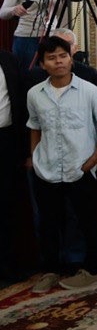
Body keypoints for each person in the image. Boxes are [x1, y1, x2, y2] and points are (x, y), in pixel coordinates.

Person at [26, 37, 97, 293]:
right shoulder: (35, 94)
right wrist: (34, 158)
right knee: (48, 224)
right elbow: (34, 126)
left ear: (71, 59)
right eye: (52, 58)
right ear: (43, 64)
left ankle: (93, 270)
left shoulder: (89, 90)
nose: (58, 62)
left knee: (88, 221)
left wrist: (92, 160)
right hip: (47, 170)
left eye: (63, 56)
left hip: (81, 169)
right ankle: (51, 270)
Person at [0, 47, 28, 283]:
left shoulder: (8, 59)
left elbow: (18, 100)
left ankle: (7, 267)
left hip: (6, 140)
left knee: (7, 203)